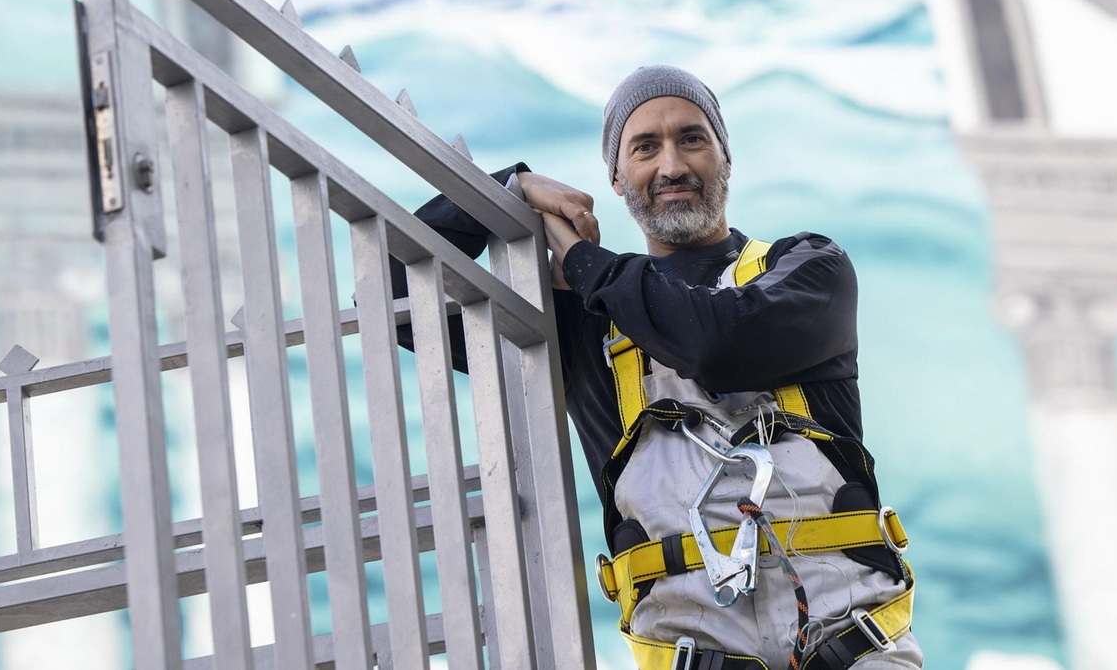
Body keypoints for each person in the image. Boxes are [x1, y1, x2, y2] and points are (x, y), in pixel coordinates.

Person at [394, 65, 921, 670]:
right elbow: (392, 296)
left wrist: (585, 262)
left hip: (856, 647)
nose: (671, 165)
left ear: (726, 159)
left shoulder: (809, 268)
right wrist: (509, 188)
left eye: (692, 139)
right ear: (617, 180)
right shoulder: (578, 327)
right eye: (645, 147)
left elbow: (715, 345)